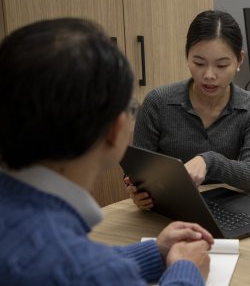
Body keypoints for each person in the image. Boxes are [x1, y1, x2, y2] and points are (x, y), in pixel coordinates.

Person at [0, 18, 214, 285]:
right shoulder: (88, 269)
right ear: (116, 128)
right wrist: (186, 271)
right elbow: (82, 271)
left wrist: (154, 252)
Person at [126, 10, 250, 210]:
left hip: (226, 208)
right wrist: (137, 190)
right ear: (187, 56)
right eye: (199, 63)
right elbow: (139, 168)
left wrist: (209, 160)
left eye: (222, 65)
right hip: (168, 208)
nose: (209, 75)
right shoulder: (158, 102)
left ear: (240, 59)